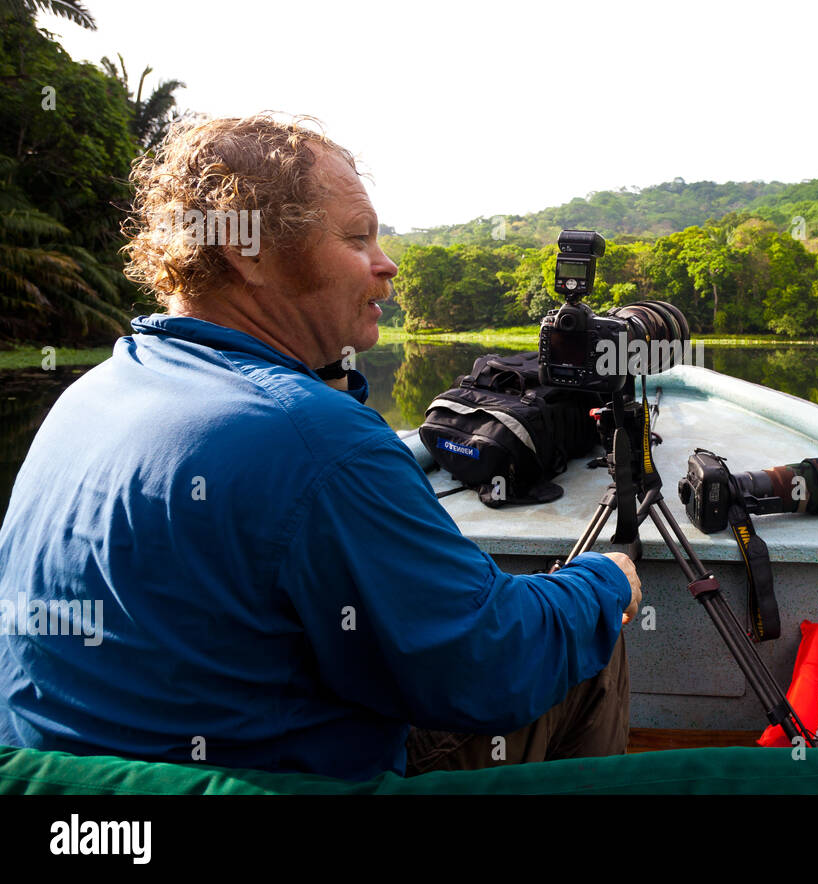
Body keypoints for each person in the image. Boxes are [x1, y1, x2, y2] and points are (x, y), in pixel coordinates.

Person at [0, 114, 641, 782]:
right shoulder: (314, 442)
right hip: (270, 779)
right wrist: (601, 582)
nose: (386, 263)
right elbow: (488, 665)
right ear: (248, 252)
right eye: (358, 237)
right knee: (590, 644)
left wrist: (318, 371)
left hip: (71, 781)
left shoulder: (95, 390)